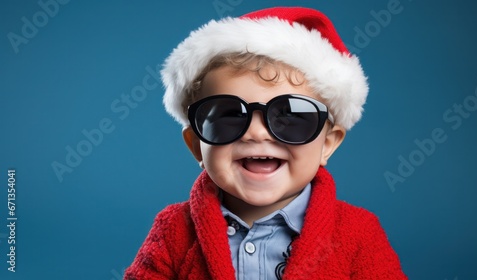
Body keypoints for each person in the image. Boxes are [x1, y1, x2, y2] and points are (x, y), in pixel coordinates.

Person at [125, 6, 407, 280]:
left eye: (290, 116)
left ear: (327, 144)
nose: (257, 133)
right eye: (230, 115)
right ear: (197, 144)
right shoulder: (175, 229)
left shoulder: (357, 233)